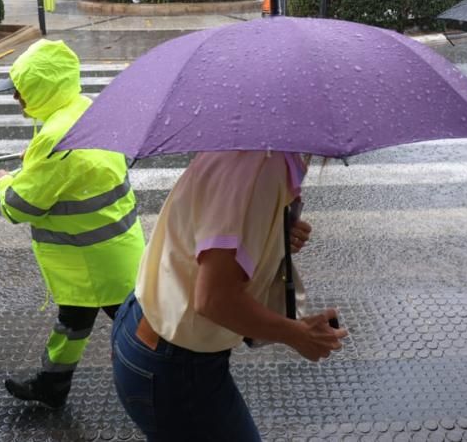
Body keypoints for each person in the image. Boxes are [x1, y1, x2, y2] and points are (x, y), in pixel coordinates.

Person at [111, 151, 346, 440]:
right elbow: (214, 299)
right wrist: (299, 334)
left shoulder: (252, 148)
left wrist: (272, 234)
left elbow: (213, 234)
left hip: (153, 329)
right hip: (177, 364)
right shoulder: (260, 166)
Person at [0, 39, 145, 409]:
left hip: (96, 262)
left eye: (21, 91)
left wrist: (3, 183)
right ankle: (52, 384)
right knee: (74, 319)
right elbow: (70, 175)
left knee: (141, 333)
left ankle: (171, 386)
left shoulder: (56, 139)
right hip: (114, 250)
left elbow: (21, 205)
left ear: (44, 88)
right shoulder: (84, 110)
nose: (16, 100)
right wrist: (34, 163)